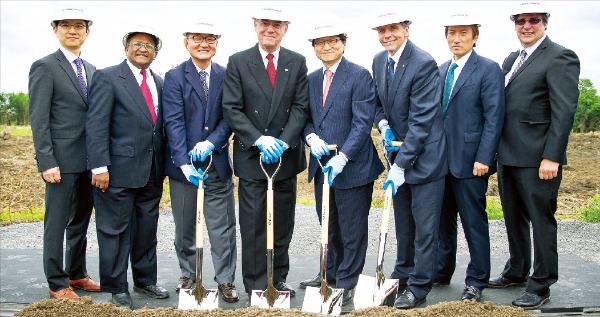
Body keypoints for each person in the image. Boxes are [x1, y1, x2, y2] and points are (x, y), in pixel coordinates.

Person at [491, 1, 580, 310]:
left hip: (538, 159)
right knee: (513, 219)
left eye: (534, 20)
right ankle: (517, 270)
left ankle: (541, 284)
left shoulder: (560, 57)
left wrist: (552, 157)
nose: (526, 25)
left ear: (545, 23)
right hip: (508, 155)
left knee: (541, 221)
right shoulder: (511, 59)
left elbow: (564, 110)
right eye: (520, 21)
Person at [222, 7, 309, 298]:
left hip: (285, 155)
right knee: (254, 223)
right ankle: (257, 283)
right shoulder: (238, 61)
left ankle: (279, 277)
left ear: (286, 28)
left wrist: (283, 141)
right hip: (252, 157)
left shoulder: (297, 62)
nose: (270, 29)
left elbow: (300, 107)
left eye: (277, 24)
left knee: (282, 221)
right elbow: (232, 108)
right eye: (264, 24)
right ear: (255, 26)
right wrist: (259, 139)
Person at [299, 21, 384, 305]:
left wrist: (343, 156)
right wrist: (310, 136)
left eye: (333, 41)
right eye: (320, 42)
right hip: (323, 164)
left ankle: (347, 281)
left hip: (353, 166)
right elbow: (306, 117)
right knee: (329, 225)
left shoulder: (358, 75)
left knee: (352, 229)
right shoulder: (311, 79)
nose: (327, 46)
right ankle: (330, 272)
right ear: (314, 49)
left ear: (344, 43)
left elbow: (362, 123)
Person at [86, 25, 169, 309]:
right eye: (137, 44)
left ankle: (145, 280)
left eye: (149, 46)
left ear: (155, 53)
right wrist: (99, 166)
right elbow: (96, 124)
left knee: (147, 229)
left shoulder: (159, 82)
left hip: (151, 171)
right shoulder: (108, 77)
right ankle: (117, 287)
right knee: (115, 231)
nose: (143, 49)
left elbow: (158, 127)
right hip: (117, 172)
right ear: (126, 49)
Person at [371, 11, 448, 309]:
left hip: (425, 160)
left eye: (393, 28)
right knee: (403, 225)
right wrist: (383, 125)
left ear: (406, 29)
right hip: (397, 157)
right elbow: (379, 103)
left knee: (425, 229)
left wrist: (401, 165)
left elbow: (422, 121)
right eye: (382, 30)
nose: (387, 34)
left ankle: (419, 287)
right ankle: (402, 274)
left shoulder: (423, 63)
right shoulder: (379, 61)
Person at [162, 21, 238, 302]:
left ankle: (226, 280)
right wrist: (183, 162)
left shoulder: (227, 75)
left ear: (217, 43)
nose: (203, 44)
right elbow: (173, 120)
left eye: (210, 39)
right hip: (184, 169)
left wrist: (212, 143)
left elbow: (230, 115)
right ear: (186, 42)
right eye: (197, 38)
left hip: (216, 164)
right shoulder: (174, 76)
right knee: (185, 225)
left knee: (223, 227)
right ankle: (188, 274)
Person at [28, 6, 100, 301]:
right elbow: (39, 118)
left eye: (79, 26)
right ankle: (57, 282)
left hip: (87, 160)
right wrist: (46, 161)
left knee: (80, 220)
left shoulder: (92, 70)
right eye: (66, 25)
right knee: (56, 222)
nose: (73, 30)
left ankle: (76, 273)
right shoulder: (45, 67)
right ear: (55, 29)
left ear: (87, 31)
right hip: (60, 161)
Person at [434, 13, 505, 302]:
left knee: (474, 223)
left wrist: (484, 157)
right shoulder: (440, 70)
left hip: (472, 162)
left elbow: (494, 116)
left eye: (463, 33)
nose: (456, 38)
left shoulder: (488, 69)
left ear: (475, 37)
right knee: (442, 222)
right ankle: (441, 271)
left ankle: (476, 280)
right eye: (451, 33)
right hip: (440, 162)